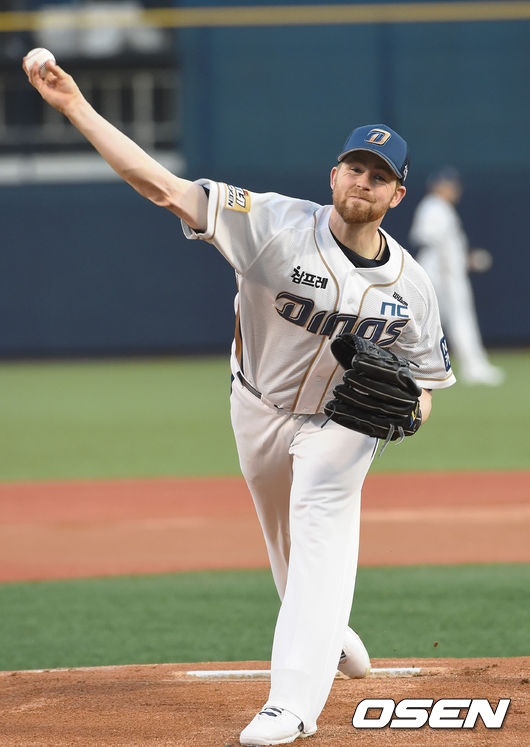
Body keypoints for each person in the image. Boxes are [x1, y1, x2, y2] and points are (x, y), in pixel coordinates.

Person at [24, 57, 455, 746]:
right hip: (256, 403)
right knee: (284, 547)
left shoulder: (414, 287)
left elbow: (425, 385)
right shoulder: (274, 225)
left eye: (379, 176)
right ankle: (329, 630)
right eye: (355, 168)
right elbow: (163, 187)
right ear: (334, 175)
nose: (363, 182)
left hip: (341, 424)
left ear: (396, 194)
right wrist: (75, 105)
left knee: (321, 528)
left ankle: (292, 705)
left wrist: (410, 413)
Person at [409, 167, 504, 386]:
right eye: (450, 185)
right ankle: (473, 367)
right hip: (441, 271)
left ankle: (470, 365)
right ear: (439, 186)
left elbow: (447, 244)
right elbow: (428, 238)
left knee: (435, 322)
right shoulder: (433, 206)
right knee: (456, 318)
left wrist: (464, 259)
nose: (455, 189)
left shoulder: (440, 207)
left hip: (442, 269)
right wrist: (449, 267)